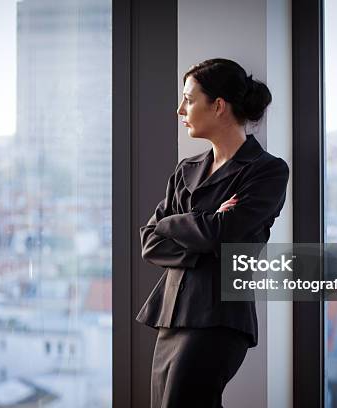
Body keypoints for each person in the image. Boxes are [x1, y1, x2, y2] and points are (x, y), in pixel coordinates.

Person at [136, 58, 290, 408]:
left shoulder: (266, 171)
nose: (180, 109)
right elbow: (150, 241)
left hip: (219, 318)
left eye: (189, 100)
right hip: (172, 316)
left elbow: (222, 233)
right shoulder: (186, 169)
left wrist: (172, 223)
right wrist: (201, 231)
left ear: (218, 106)